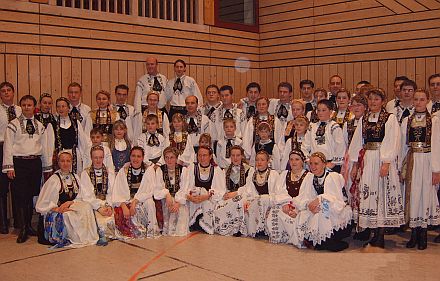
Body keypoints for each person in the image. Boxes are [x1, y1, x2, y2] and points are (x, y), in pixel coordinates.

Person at [349, 88, 404, 248]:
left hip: (381, 159)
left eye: (376, 99)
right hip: (367, 159)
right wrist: (354, 164)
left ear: (383, 101)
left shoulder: (389, 118)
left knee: (380, 194)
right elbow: (357, 141)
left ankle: (380, 234)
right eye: (371, 99)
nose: (373, 102)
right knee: (369, 194)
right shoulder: (364, 118)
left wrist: (386, 162)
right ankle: (373, 232)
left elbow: (393, 140)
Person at [3, 95, 54, 243]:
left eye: (29, 105)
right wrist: (9, 166)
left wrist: (47, 167)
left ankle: (29, 225)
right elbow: (8, 146)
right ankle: (23, 227)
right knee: (21, 195)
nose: (26, 107)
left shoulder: (40, 125)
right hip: (19, 163)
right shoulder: (13, 125)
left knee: (32, 194)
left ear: (34, 107)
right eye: (24, 105)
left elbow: (45, 147)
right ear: (21, 107)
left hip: (35, 163)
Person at [400, 89, 440, 250]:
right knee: (413, 194)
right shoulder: (407, 120)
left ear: (427, 101)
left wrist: (436, 169)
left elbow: (437, 145)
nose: (418, 102)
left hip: (428, 160)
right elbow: (403, 145)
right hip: (413, 159)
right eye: (416, 99)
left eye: (422, 99)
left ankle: (423, 232)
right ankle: (414, 232)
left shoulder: (434, 121)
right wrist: (401, 167)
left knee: (425, 193)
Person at [36, 151, 100, 247]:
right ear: (58, 162)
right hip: (58, 209)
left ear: (71, 162)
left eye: (68, 161)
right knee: (69, 215)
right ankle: (75, 238)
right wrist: (57, 208)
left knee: (86, 207)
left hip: (71, 205)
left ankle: (87, 237)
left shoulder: (76, 177)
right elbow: (44, 203)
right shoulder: (54, 179)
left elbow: (81, 196)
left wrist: (71, 203)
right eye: (62, 161)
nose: (65, 163)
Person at [295, 152, 352, 252]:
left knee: (323, 211)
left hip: (337, 211)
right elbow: (305, 197)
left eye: (316, 164)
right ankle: (320, 240)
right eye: (311, 163)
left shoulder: (332, 176)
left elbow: (336, 202)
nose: (313, 166)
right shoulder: (310, 177)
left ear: (324, 164)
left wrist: (319, 199)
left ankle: (329, 241)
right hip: (322, 207)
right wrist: (310, 205)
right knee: (306, 213)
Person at [112, 146, 159, 239]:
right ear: (130, 157)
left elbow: (150, 191)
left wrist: (135, 202)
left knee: (150, 203)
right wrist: (123, 205)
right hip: (127, 200)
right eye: (133, 156)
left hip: (142, 200)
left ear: (142, 158)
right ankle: (135, 231)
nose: (136, 159)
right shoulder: (123, 171)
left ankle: (150, 231)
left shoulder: (148, 170)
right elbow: (118, 192)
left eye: (138, 156)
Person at [266, 150, 309, 247]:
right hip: (285, 205)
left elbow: (306, 196)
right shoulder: (284, 174)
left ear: (303, 161)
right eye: (291, 159)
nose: (294, 162)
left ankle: (297, 239)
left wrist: (296, 208)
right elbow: (279, 192)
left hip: (300, 206)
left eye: (297, 159)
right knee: (275, 210)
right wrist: (285, 203)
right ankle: (280, 237)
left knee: (302, 215)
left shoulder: (308, 176)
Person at [183, 146, 226, 234]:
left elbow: (221, 190)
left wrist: (206, 196)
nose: (202, 158)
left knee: (206, 202)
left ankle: (205, 223)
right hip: (194, 200)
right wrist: (190, 197)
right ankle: (193, 222)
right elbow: (186, 187)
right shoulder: (192, 168)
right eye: (200, 155)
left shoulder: (216, 170)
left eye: (205, 155)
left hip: (209, 200)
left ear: (210, 156)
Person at [79, 145, 116, 242]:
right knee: (100, 222)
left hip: (107, 203)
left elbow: (112, 192)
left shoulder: (109, 172)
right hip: (93, 205)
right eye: (95, 157)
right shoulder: (85, 173)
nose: (98, 160)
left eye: (100, 157)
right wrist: (99, 208)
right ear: (91, 158)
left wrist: (109, 206)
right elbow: (87, 196)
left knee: (113, 219)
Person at [213, 146, 253, 236]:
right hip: (228, 195)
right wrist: (225, 194)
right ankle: (227, 227)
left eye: (238, 155)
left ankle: (238, 228)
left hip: (243, 195)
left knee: (238, 201)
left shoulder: (249, 170)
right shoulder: (225, 170)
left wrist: (236, 193)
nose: (235, 158)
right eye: (233, 155)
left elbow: (249, 187)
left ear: (242, 156)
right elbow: (222, 186)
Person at [0, 81, 22, 233]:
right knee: (2, 188)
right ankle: (3, 222)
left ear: (13, 93)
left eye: (9, 90)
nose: (6, 93)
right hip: (1, 147)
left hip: (17, 150)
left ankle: (19, 222)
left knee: (17, 186)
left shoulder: (21, 109)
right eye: (3, 91)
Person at [302, 99, 345, 173]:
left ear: (331, 112)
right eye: (318, 110)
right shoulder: (312, 127)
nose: (320, 113)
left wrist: (333, 163)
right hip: (314, 166)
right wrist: (308, 160)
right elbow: (305, 145)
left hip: (330, 164)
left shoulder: (334, 126)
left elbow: (340, 145)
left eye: (323, 110)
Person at [243, 151, 280, 237]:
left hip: (269, 203)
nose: (259, 162)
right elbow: (248, 191)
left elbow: (276, 193)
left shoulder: (274, 174)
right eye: (257, 160)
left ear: (268, 161)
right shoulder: (252, 173)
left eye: (262, 160)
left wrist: (264, 200)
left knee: (262, 200)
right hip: (255, 202)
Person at [154, 147, 189, 236]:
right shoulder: (160, 170)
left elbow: (184, 188)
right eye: (167, 157)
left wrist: (178, 202)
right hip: (165, 199)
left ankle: (176, 230)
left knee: (180, 210)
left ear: (176, 158)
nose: (169, 160)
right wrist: (167, 194)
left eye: (172, 157)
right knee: (168, 206)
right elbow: (158, 188)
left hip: (180, 200)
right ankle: (166, 228)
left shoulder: (183, 170)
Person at [52, 97, 89, 174]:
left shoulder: (76, 123)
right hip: (60, 156)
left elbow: (82, 142)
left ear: (68, 108)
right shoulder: (53, 124)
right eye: (58, 106)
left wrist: (84, 158)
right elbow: (51, 144)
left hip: (74, 156)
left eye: (63, 106)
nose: (60, 109)